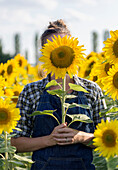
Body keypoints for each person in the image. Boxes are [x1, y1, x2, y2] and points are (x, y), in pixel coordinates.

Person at [11, 19, 106, 170]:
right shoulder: (31, 91)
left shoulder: (91, 90)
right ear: (44, 53)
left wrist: (80, 136)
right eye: (51, 48)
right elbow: (14, 143)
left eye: (63, 47)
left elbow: (106, 139)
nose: (58, 51)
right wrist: (49, 140)